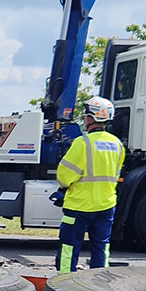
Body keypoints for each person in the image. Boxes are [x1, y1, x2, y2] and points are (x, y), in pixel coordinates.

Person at [53, 97, 125, 273]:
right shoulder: (117, 144)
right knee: (101, 248)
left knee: (69, 248)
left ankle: (64, 284)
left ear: (91, 118)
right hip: (105, 205)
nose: (85, 119)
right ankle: (99, 285)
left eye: (86, 116)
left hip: (79, 206)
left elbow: (64, 176)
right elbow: (115, 174)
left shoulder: (82, 143)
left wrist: (63, 188)